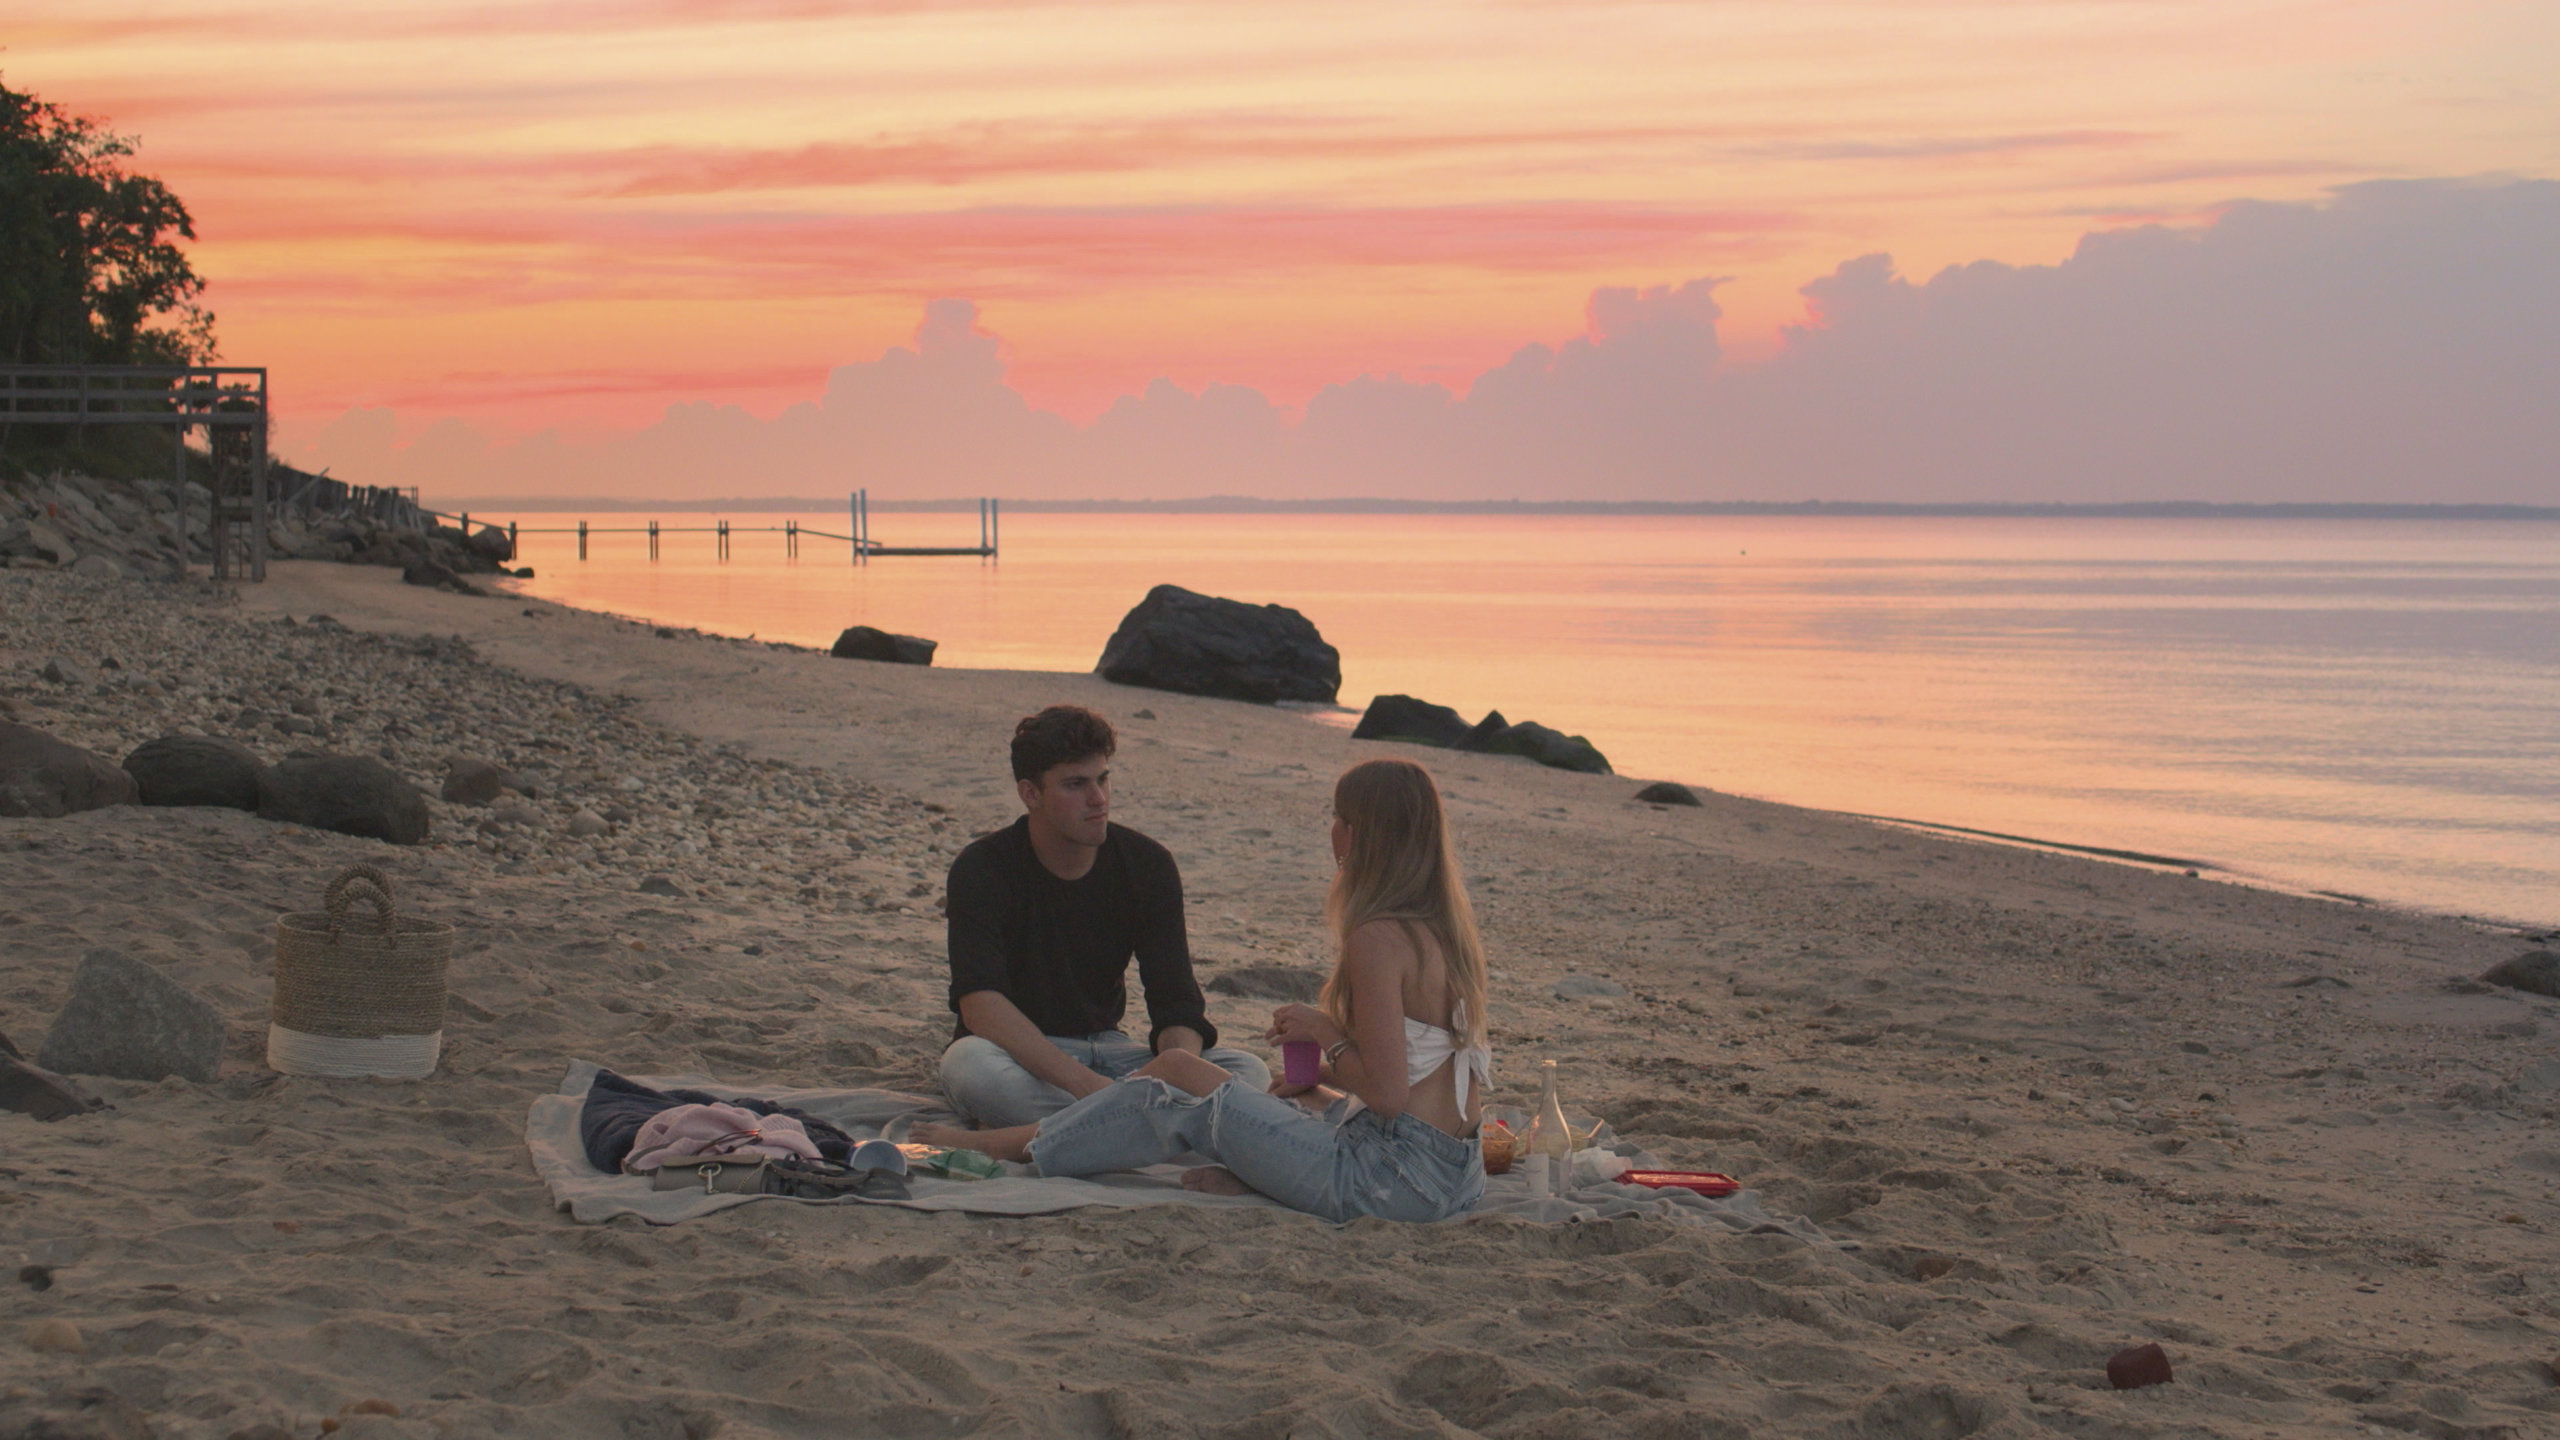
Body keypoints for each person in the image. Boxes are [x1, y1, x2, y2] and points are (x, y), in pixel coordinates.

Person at [917, 756, 1490, 1224]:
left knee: (1181, 1072)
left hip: (1387, 1181)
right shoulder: (1444, 931)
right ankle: (1253, 1172)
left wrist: (1327, 1033)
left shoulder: (1377, 937)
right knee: (1225, 1087)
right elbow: (1417, 1075)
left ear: (1362, 834)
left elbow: (1388, 1097)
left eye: (1338, 817)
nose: (1331, 829)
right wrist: (1317, 1078)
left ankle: (1006, 1145)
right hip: (1453, 1176)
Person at [937, 704, 1269, 1128]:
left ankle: (1095, 1128)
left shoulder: (1147, 865)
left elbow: (1176, 1003)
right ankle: (1146, 1127)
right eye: (1076, 784)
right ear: (1030, 793)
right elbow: (980, 1007)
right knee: (972, 1068)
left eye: (1103, 779)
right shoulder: (983, 867)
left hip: (1113, 1055)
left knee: (1247, 1071)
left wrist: (1172, 1071)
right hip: (1016, 1056)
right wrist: (1090, 1087)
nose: (1098, 799)